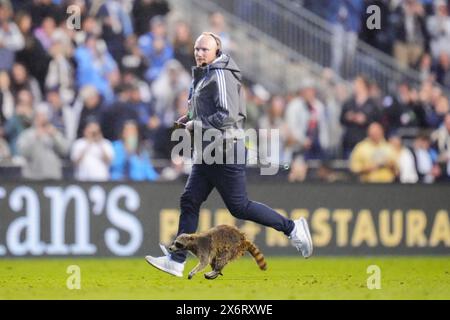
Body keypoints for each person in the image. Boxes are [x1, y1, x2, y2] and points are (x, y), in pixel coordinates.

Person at [145, 32, 313, 277]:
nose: (199, 52)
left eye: (205, 49)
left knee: (239, 207)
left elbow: (227, 116)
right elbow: (206, 111)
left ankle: (292, 228)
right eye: (197, 48)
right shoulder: (204, 74)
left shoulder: (221, 73)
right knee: (190, 200)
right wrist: (189, 119)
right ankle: (177, 259)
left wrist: (197, 125)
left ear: (217, 51)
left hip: (225, 150)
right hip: (208, 151)